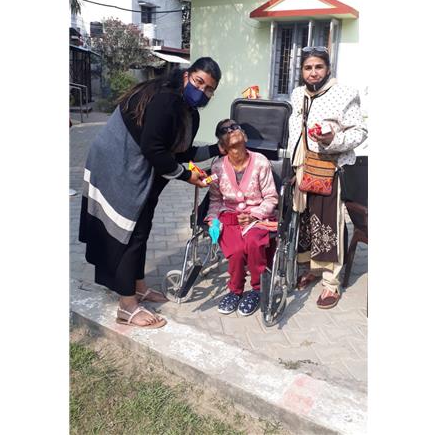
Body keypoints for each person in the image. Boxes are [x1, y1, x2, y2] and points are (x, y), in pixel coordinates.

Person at [78, 58, 222, 328]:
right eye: (198, 82)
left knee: (143, 228)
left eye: (209, 89)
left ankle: (138, 286)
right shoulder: (166, 101)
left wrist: (217, 150)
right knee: (131, 232)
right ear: (186, 76)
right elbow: (154, 150)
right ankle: (127, 306)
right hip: (117, 165)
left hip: (140, 169)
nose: (202, 91)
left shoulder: (189, 112)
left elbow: (181, 152)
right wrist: (187, 176)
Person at [287, 46, 367, 309]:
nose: (313, 73)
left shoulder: (345, 94)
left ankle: (330, 283)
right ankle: (312, 268)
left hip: (328, 169)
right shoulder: (298, 94)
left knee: (328, 224)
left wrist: (335, 139)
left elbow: (361, 131)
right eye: (308, 68)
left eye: (318, 67)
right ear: (302, 71)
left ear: (328, 69)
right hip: (301, 167)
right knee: (306, 222)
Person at [205, 119, 278, 316]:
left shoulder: (261, 161)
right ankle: (235, 290)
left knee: (254, 243)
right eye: (225, 130)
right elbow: (214, 200)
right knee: (236, 250)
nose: (232, 130)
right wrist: (212, 220)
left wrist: (254, 215)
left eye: (235, 126)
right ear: (222, 146)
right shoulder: (217, 167)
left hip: (258, 216)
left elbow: (271, 197)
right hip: (229, 216)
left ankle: (256, 289)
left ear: (244, 135)